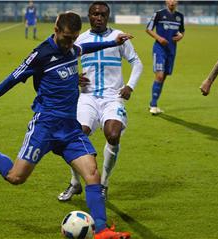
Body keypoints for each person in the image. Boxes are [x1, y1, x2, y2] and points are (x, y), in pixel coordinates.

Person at [0, 11, 132, 239]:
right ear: (56, 30)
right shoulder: (40, 55)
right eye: (67, 38)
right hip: (45, 126)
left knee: (93, 174)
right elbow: (11, 79)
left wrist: (112, 42)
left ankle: (102, 230)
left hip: (69, 128)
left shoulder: (73, 48)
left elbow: (83, 49)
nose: (70, 44)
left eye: (74, 38)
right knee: (16, 177)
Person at [58, 1, 143, 202]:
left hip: (113, 97)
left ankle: (103, 184)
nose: (99, 18)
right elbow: (63, 63)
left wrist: (129, 86)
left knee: (113, 135)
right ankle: (75, 182)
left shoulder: (118, 37)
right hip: (87, 96)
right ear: (89, 16)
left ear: (108, 17)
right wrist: (73, 77)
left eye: (103, 15)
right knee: (76, 137)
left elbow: (136, 62)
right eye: (95, 14)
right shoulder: (80, 39)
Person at [146, 0, 185, 115]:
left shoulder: (179, 16)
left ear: (177, 2)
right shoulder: (159, 14)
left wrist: (181, 36)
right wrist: (159, 38)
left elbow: (182, 31)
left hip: (171, 50)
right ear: (166, 1)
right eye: (169, 0)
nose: (172, 2)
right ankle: (153, 105)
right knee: (159, 75)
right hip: (159, 49)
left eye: (174, 0)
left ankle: (153, 103)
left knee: (163, 77)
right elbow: (148, 29)